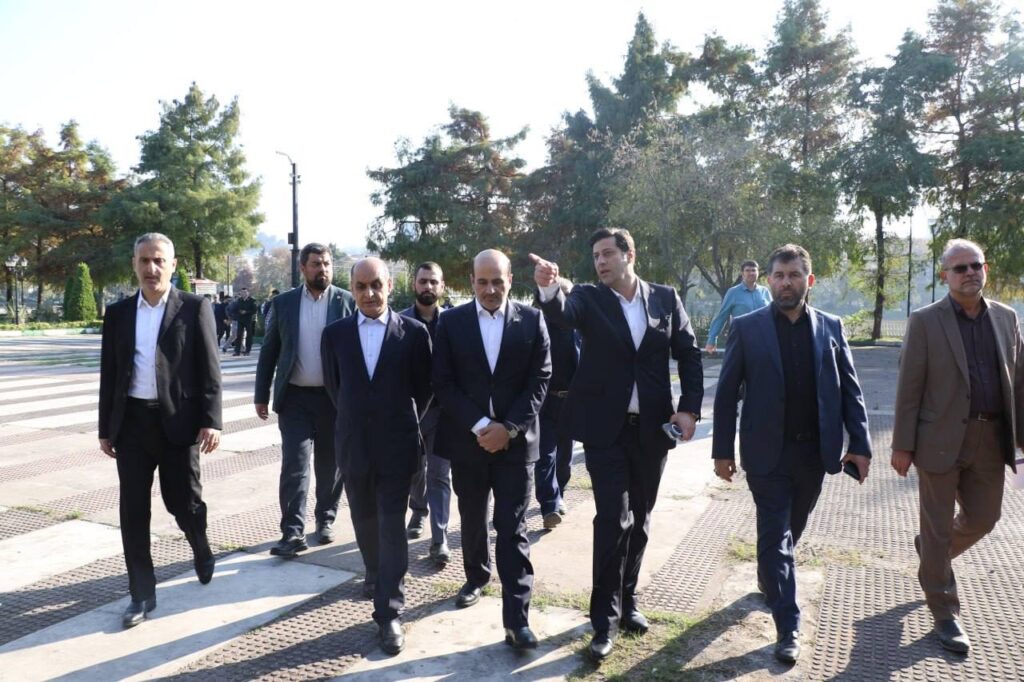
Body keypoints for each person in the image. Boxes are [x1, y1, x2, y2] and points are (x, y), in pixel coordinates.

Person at [531, 227, 703, 661]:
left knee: (641, 518)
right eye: (596, 256)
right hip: (604, 431)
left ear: (630, 255)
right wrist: (549, 289)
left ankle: (629, 601)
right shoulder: (588, 298)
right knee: (613, 519)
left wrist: (689, 409)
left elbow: (688, 353)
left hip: (652, 431)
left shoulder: (665, 298)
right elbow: (562, 315)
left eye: (608, 253)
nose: (601, 262)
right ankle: (603, 622)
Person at [711, 243, 872, 664]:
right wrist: (722, 451)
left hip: (815, 455)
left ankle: (770, 576)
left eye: (795, 275)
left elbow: (850, 391)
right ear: (769, 281)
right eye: (780, 276)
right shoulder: (747, 328)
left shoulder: (831, 327)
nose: (787, 283)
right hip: (766, 454)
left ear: (809, 280)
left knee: (790, 530)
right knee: (776, 535)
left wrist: (860, 445)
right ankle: (788, 626)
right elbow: (726, 394)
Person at [891, 238, 1024, 655]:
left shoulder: (1006, 317)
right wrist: (902, 444)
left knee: (985, 518)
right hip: (939, 440)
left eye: (975, 266)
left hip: (991, 437)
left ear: (986, 270)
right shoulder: (925, 321)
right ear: (945, 275)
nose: (969, 273)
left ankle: (932, 552)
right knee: (936, 524)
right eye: (960, 268)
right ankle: (945, 613)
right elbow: (909, 387)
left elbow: (1019, 380)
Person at [98, 232, 222, 629]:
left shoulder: (194, 308)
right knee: (133, 511)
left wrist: (211, 420)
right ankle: (141, 593)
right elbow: (110, 373)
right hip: (132, 425)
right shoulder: (118, 313)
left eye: (158, 261)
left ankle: (199, 544)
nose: (151, 268)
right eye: (144, 261)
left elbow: (210, 369)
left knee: (184, 503)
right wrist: (105, 427)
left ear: (172, 265)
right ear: (134, 264)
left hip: (178, 425)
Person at [433, 249, 551, 650]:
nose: (489, 289)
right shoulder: (451, 323)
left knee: (512, 528)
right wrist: (482, 426)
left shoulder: (532, 320)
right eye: (482, 282)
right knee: (471, 518)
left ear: (510, 280)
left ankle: (517, 619)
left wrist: (509, 428)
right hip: (468, 443)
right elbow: (443, 383)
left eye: (497, 281)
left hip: (516, 447)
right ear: (472, 282)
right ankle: (476, 576)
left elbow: (540, 380)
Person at [322, 257, 432, 655]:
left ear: (390, 286)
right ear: (352, 289)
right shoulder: (335, 335)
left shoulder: (414, 334)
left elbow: (425, 390)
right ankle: (373, 570)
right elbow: (335, 388)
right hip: (354, 446)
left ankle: (389, 611)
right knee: (364, 520)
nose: (369, 294)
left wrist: (396, 421)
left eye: (376, 286)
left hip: (397, 447)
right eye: (361, 287)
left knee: (391, 525)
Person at [254, 243, 353, 557]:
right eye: (316, 264)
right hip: (295, 399)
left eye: (326, 264)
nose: (322, 269)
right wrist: (261, 395)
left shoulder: (346, 302)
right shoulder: (283, 303)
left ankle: (325, 519)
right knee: (294, 466)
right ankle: (292, 532)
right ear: (302, 268)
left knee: (330, 465)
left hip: (333, 399)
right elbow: (270, 350)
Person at [400, 261, 453, 565]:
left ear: (442, 286)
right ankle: (419, 510)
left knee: (440, 474)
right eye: (423, 281)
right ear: (414, 284)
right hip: (410, 412)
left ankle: (439, 539)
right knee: (414, 470)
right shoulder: (400, 321)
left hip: (444, 414)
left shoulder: (454, 322)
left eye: (434, 282)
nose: (428, 287)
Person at [533, 279, 579, 530]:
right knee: (545, 455)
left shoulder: (579, 327)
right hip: (545, 401)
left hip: (571, 402)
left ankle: (559, 492)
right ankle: (549, 505)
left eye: (568, 294)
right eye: (559, 294)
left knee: (565, 458)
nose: (564, 299)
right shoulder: (539, 325)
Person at [704, 260, 772, 353]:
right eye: (747, 270)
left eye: (753, 270)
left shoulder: (765, 291)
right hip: (741, 340)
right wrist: (712, 339)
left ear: (758, 272)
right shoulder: (733, 292)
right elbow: (722, 316)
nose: (751, 273)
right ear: (742, 274)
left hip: (764, 341)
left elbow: (773, 315)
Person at [233, 288, 258, 356]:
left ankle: (247, 351)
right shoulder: (239, 300)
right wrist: (238, 312)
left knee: (249, 336)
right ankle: (237, 351)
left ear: (248, 293)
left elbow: (255, 310)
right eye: (242, 292)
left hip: (249, 320)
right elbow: (235, 309)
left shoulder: (252, 300)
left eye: (245, 292)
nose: (243, 294)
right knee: (239, 335)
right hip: (240, 319)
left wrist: (246, 312)